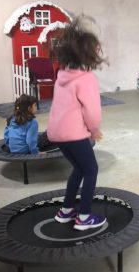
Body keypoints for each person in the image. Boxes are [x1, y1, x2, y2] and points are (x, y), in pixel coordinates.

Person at [48, 16, 106, 231]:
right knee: (91, 170)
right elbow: (92, 111)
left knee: (79, 169)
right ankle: (83, 217)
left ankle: (66, 210)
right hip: (74, 134)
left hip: (57, 134)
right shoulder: (86, 78)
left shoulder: (62, 74)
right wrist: (94, 130)